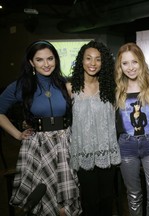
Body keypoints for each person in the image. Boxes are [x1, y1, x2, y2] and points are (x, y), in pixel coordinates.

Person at [0, 40, 82, 215]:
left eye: (50, 58)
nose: (46, 64)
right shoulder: (22, 85)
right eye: (40, 60)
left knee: (66, 203)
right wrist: (16, 134)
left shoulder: (63, 84)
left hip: (65, 145)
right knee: (44, 199)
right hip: (38, 148)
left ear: (56, 60)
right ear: (31, 62)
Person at [66, 40, 121, 216]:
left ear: (103, 62)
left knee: (106, 200)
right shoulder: (70, 88)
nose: (93, 63)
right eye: (88, 58)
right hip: (84, 154)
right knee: (90, 201)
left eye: (98, 59)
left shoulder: (111, 87)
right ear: (81, 61)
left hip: (107, 153)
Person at [115, 42, 149, 216]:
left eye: (134, 62)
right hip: (126, 146)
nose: (130, 67)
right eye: (125, 63)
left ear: (141, 62)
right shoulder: (116, 89)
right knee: (134, 195)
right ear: (120, 66)